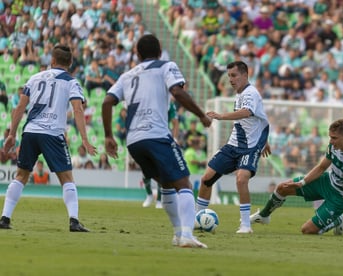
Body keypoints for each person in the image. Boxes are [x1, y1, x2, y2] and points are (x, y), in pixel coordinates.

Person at [102, 34, 212, 248]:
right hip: (156, 135)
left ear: (137, 53)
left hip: (134, 141)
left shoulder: (126, 75)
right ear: (160, 51)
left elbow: (107, 102)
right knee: (184, 183)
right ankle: (187, 235)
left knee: (167, 185)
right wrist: (201, 115)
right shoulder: (165, 66)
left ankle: (179, 234)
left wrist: (108, 135)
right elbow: (177, 92)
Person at [0, 45, 97, 231]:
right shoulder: (71, 81)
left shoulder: (35, 78)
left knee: (20, 175)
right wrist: (84, 139)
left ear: (52, 61)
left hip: (30, 132)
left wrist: (12, 133)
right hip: (52, 133)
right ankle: (74, 221)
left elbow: (20, 107)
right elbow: (77, 109)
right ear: (70, 63)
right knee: (67, 177)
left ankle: (4, 218)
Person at [250, 119, 343, 238]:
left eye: (334, 138)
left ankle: (337, 220)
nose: (331, 141)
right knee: (282, 188)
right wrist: (302, 183)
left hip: (341, 197)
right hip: (327, 181)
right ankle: (264, 216)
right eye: (330, 137)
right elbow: (321, 168)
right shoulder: (334, 146)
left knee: (307, 230)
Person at [195, 61, 271, 234]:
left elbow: (247, 112)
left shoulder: (250, 93)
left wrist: (221, 116)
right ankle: (197, 218)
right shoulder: (241, 94)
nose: (231, 79)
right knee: (206, 179)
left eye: (234, 75)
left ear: (245, 75)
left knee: (241, 179)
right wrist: (265, 139)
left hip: (250, 147)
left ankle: (245, 225)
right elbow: (259, 118)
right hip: (233, 145)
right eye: (229, 76)